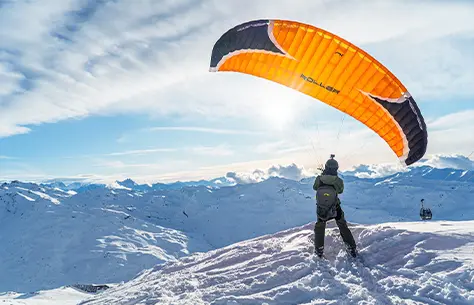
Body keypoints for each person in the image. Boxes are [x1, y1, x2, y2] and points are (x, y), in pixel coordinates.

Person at [313, 155, 357, 258]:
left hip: (322, 208)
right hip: (335, 207)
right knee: (342, 225)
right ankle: (351, 247)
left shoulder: (319, 179)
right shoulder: (338, 180)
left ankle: (319, 250)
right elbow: (340, 191)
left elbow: (315, 188)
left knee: (320, 226)